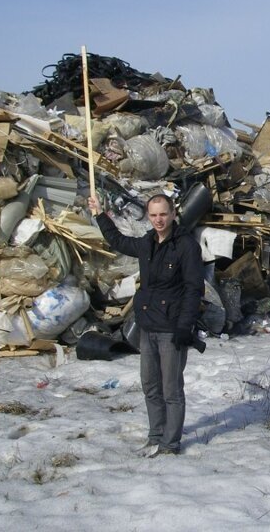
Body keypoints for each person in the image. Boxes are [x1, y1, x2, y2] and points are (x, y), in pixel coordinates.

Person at [88, 193, 204, 457]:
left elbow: (193, 289)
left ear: (173, 214)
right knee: (150, 385)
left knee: (171, 390)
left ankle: (170, 445)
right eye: (153, 215)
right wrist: (99, 215)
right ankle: (156, 435)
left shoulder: (186, 246)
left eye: (163, 214)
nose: (158, 220)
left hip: (172, 330)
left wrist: (185, 327)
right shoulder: (147, 243)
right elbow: (118, 241)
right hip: (148, 326)